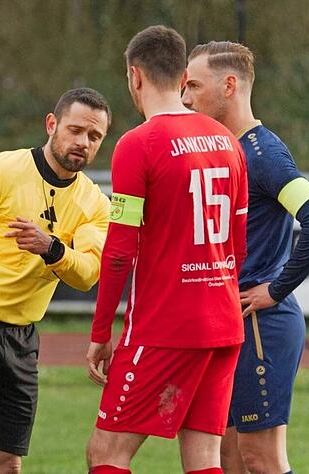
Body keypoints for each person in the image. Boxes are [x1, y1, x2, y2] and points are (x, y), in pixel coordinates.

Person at [85, 25, 249, 474]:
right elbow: (238, 244)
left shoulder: (138, 144)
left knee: (106, 453)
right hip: (223, 324)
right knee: (203, 458)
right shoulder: (227, 142)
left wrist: (100, 332)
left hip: (165, 327)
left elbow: (119, 251)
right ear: (182, 78)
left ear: (134, 76)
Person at [182, 41, 309, 474]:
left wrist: (276, 289)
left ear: (229, 85)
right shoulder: (224, 150)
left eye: (194, 86)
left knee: (260, 457)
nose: (185, 98)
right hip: (228, 322)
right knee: (227, 457)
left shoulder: (263, 154)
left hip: (260, 324)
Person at [0, 88, 112, 474]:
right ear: (51, 124)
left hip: (22, 338)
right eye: (75, 130)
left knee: (6, 461)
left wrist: (51, 248)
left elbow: (88, 274)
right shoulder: (3, 170)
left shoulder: (94, 203)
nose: (83, 142)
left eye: (94, 136)